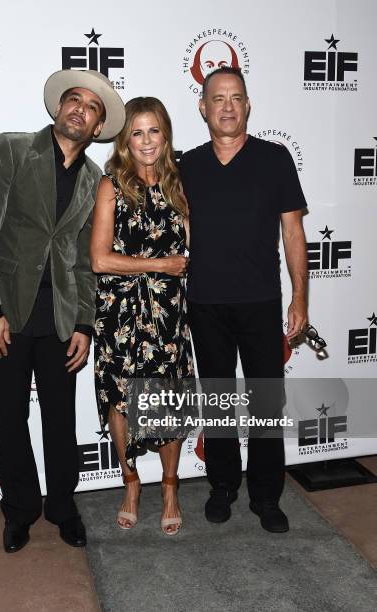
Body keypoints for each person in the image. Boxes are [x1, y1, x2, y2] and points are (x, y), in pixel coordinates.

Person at [0, 69, 125, 553]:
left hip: (59, 318)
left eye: (91, 106)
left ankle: (61, 506)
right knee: (9, 416)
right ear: (58, 108)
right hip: (7, 313)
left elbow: (83, 260)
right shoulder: (11, 149)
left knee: (60, 418)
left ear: (98, 127)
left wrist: (83, 322)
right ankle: (19, 511)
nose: (80, 108)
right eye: (73, 99)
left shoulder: (96, 180)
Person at [179, 66, 308, 533]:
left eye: (236, 98)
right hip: (206, 304)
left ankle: (267, 496)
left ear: (248, 105)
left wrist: (300, 300)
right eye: (218, 99)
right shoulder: (185, 165)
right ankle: (222, 487)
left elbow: (293, 232)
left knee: (266, 403)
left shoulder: (274, 159)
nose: (228, 106)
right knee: (215, 400)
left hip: (260, 301)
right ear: (203, 108)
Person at [90, 97, 194, 535]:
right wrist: (159, 265)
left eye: (154, 131)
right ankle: (130, 482)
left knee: (166, 401)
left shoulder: (181, 184)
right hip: (118, 313)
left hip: (168, 314)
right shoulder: (111, 185)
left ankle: (170, 486)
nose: (147, 141)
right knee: (121, 399)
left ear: (165, 134)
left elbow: (193, 248)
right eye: (137, 132)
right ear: (125, 139)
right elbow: (99, 259)